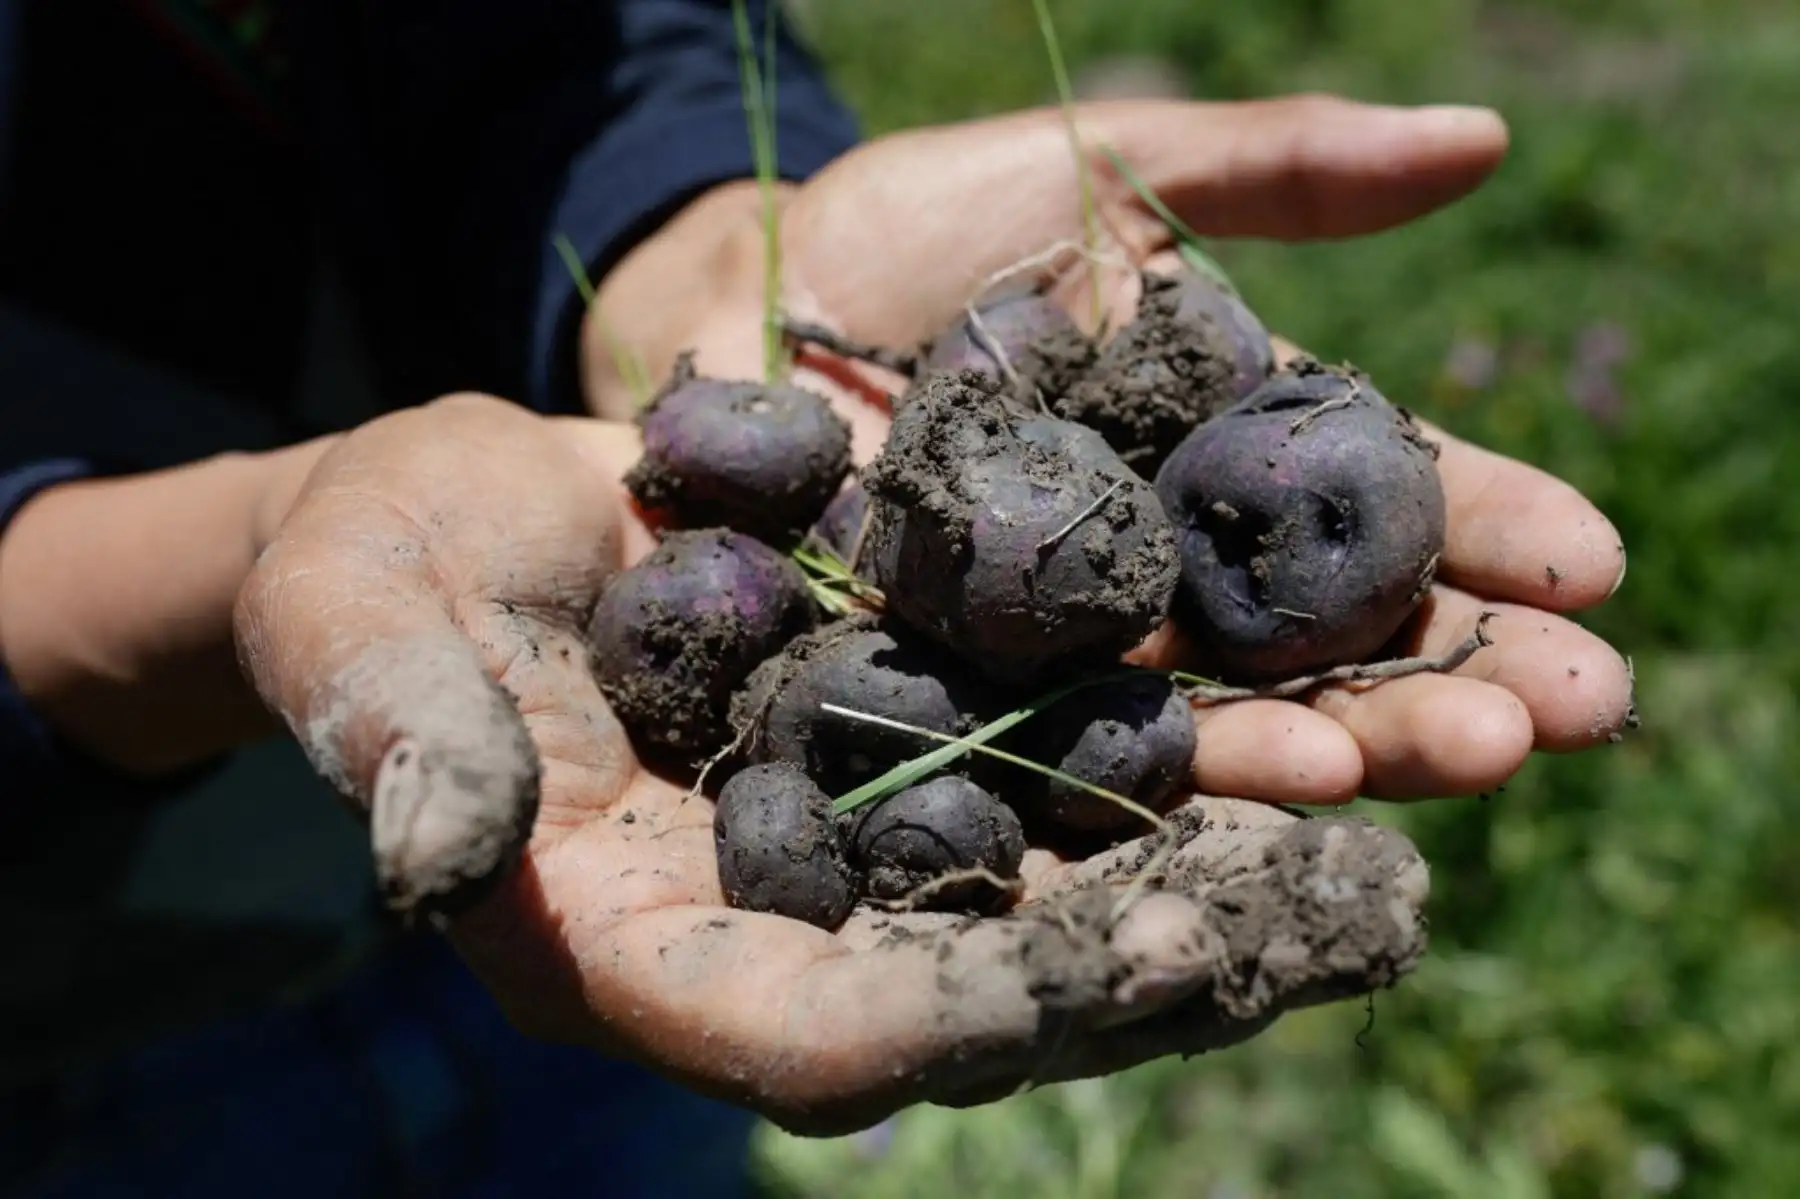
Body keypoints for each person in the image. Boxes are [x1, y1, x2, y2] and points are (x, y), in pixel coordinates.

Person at [0, 1, 1637, 1194]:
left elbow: (570, 49)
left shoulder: (1014, 524)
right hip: (90, 1023)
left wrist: (693, 215)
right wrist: (258, 543)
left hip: (590, 992)